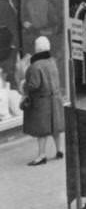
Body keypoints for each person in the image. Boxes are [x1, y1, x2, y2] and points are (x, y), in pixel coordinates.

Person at [21, 35, 65, 165]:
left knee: (42, 131)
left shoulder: (35, 66)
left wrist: (23, 84)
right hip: (55, 99)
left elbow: (34, 85)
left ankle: (41, 155)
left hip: (42, 102)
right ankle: (59, 150)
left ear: (36, 49)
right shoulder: (53, 61)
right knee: (55, 128)